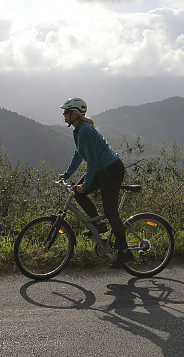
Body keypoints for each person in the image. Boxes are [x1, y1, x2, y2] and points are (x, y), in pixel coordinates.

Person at [57, 97, 132, 268]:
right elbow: (78, 154)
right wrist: (67, 175)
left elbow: (91, 161)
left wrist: (85, 184)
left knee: (110, 211)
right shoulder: (78, 130)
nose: (63, 115)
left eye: (66, 112)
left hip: (111, 170)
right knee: (77, 193)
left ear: (74, 114)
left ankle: (125, 251)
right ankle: (98, 225)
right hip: (101, 169)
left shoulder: (85, 131)